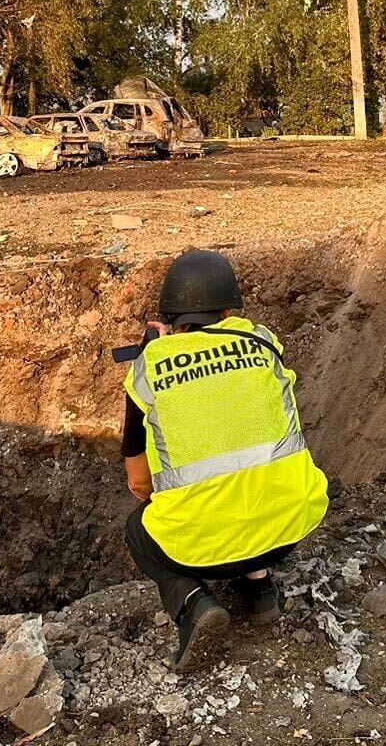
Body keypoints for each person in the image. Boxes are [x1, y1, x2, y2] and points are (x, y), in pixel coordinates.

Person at [121, 250, 329, 670]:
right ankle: (260, 590)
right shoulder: (262, 344)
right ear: (229, 309)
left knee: (138, 531)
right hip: (289, 527)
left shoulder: (150, 367)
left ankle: (194, 603)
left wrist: (156, 351)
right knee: (251, 489)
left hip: (202, 549)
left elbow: (139, 479)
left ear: (169, 318)